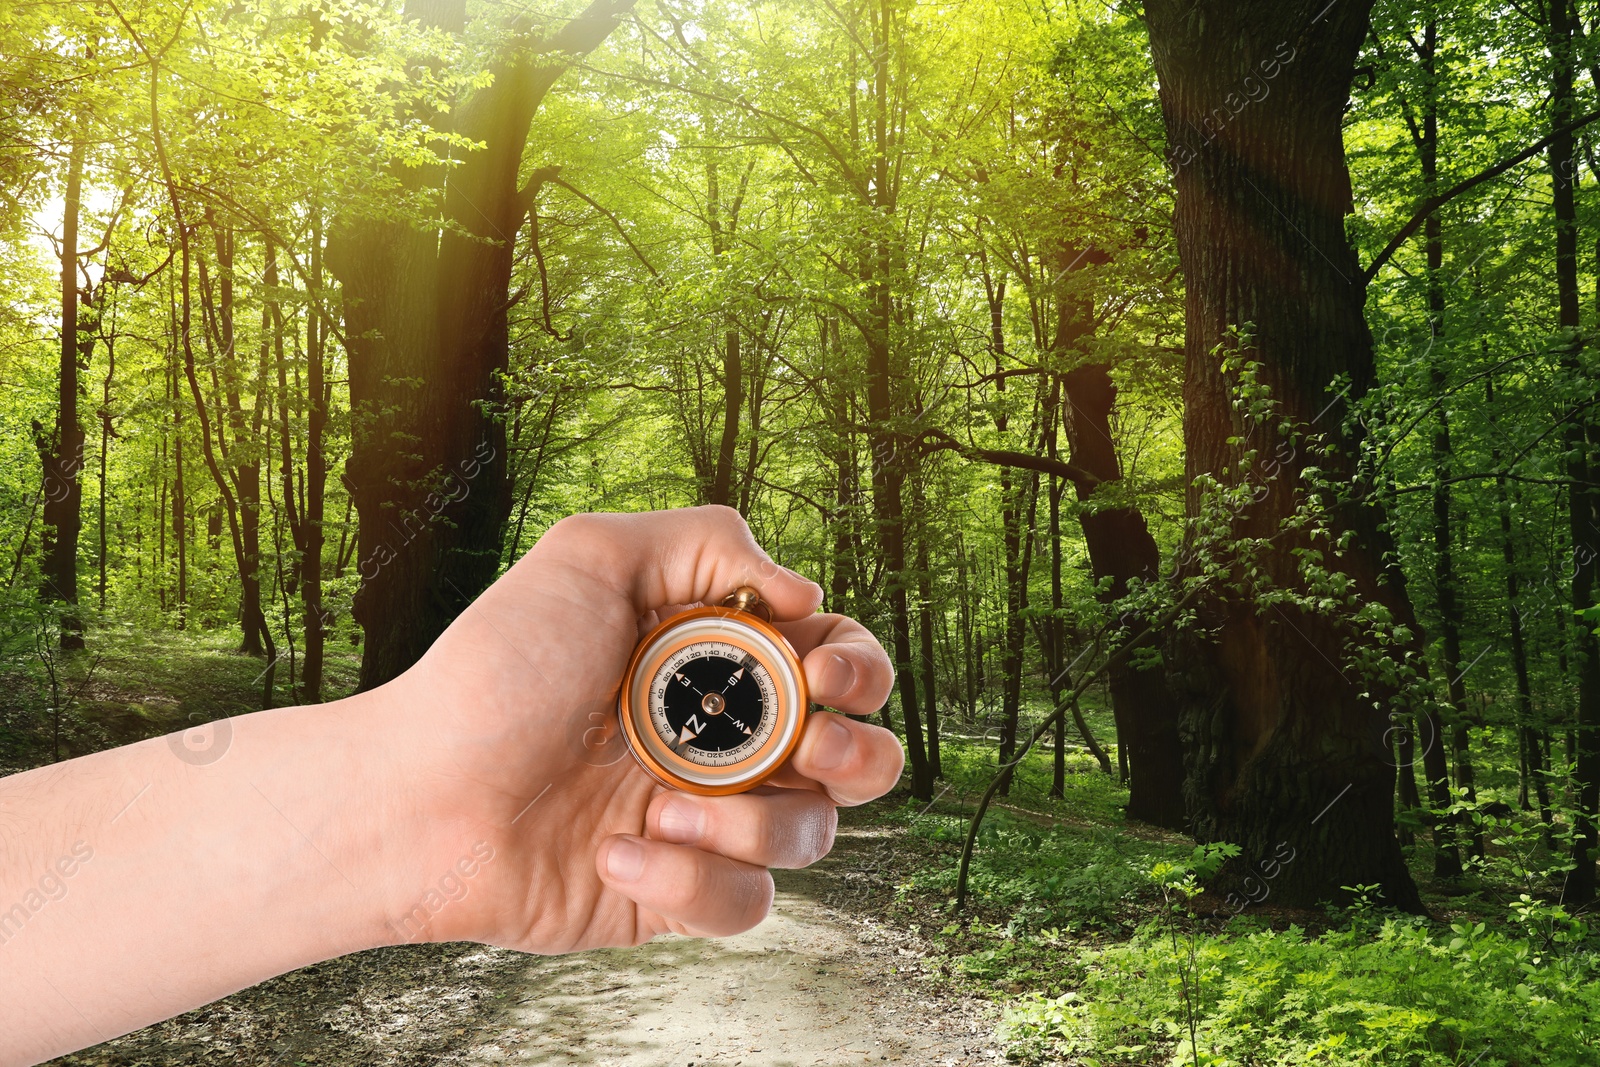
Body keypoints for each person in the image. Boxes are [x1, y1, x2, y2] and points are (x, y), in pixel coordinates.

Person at [0, 506, 904, 1066]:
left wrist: (424, 801)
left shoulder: (680, 692)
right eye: (708, 689)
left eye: (727, 703)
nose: (711, 702)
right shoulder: (699, 695)